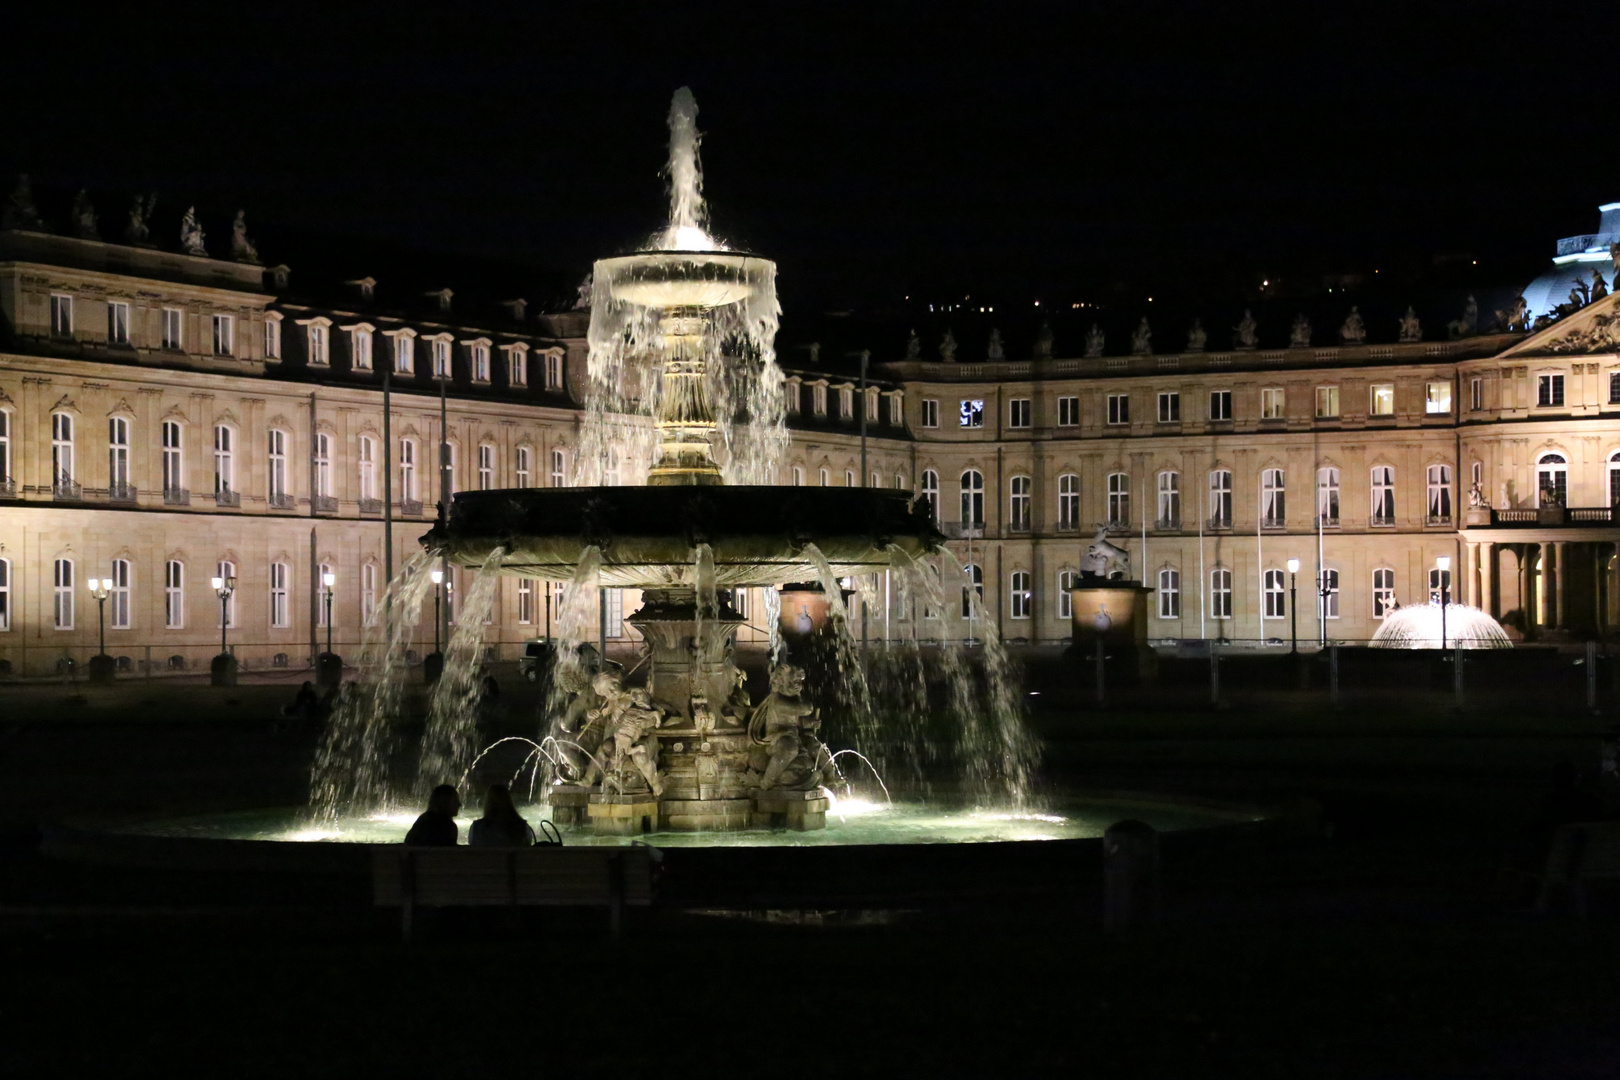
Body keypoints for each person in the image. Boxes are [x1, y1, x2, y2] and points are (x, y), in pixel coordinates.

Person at [467, 784, 535, 847]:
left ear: (488, 803)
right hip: (513, 860)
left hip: (484, 860)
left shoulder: (476, 827)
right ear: (509, 801)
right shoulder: (522, 827)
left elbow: (472, 844)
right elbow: (527, 845)